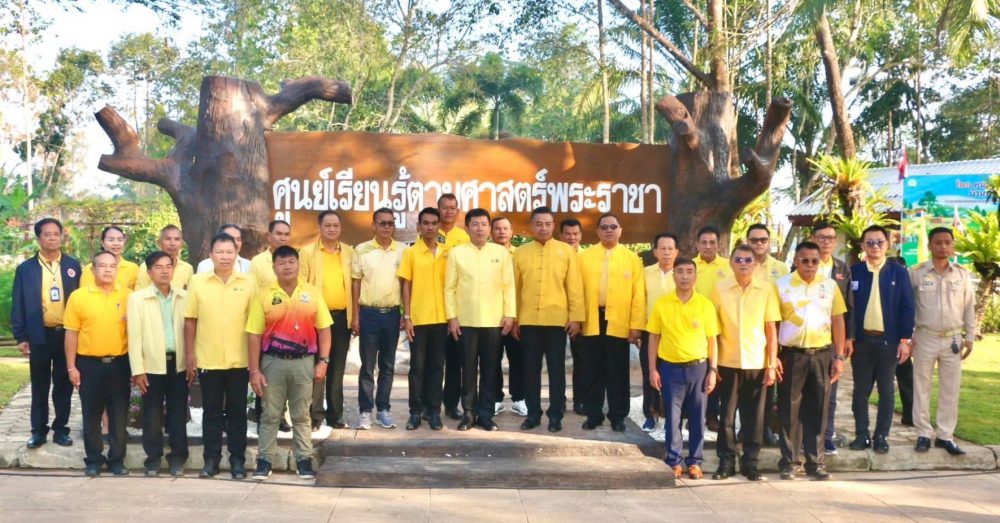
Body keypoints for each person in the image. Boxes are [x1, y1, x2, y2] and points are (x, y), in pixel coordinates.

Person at [247, 246, 333, 481]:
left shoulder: (312, 293)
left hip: (303, 363)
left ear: (298, 264)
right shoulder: (264, 294)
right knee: (270, 414)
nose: (287, 267)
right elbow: (254, 335)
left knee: (302, 414)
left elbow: (324, 329)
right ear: (274, 267)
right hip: (272, 363)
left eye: (291, 262)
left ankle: (303, 460)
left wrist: (323, 361)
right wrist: (254, 370)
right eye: (281, 263)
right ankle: (264, 461)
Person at [184, 232, 257, 479]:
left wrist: (255, 363)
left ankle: (237, 462)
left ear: (236, 253)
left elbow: (255, 324)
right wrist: (189, 354)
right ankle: (211, 461)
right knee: (211, 413)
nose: (225, 256)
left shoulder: (249, 282)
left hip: (240, 359)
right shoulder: (198, 282)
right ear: (210, 255)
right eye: (219, 252)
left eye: (229, 252)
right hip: (208, 358)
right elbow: (190, 320)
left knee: (237, 413)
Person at [775, 242, 847, 481]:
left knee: (818, 410)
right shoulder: (781, 285)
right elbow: (774, 323)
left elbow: (838, 321)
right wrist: (773, 356)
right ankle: (790, 462)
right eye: (804, 260)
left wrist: (839, 357)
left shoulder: (829, 285)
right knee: (789, 410)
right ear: (795, 260)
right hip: (791, 355)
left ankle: (815, 463)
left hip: (822, 355)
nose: (809, 265)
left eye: (814, 261)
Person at [710, 244, 781, 481]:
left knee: (755, 417)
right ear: (731, 263)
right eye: (738, 260)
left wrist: (771, 364)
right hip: (727, 361)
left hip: (757, 362)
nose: (743, 264)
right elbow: (713, 330)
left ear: (756, 264)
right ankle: (726, 461)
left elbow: (771, 329)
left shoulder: (766, 289)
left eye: (748, 260)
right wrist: (713, 365)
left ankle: (750, 462)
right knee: (727, 417)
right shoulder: (720, 288)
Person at [646, 257, 719, 480]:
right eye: (680, 271)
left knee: (698, 418)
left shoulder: (705, 305)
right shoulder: (662, 304)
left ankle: (695, 462)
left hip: (699, 369)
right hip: (670, 369)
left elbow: (713, 340)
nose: (685, 276)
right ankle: (674, 461)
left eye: (689, 271)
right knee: (672, 418)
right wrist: (653, 369)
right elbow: (654, 338)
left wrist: (713, 370)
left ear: (695, 276)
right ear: (674, 275)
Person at [11, 218, 80, 449]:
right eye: (47, 234)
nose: (52, 238)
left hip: (66, 335)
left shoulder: (72, 265)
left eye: (56, 234)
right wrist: (21, 336)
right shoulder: (26, 269)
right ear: (38, 238)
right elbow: (18, 303)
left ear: (61, 236)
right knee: (40, 385)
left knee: (63, 385)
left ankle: (61, 430)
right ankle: (38, 431)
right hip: (39, 335)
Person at [513, 207, 583, 433]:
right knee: (530, 370)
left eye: (547, 224)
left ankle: (555, 415)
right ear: (531, 226)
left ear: (553, 226)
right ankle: (533, 414)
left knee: (556, 371)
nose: (543, 228)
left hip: (557, 321)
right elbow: (515, 289)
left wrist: (576, 318)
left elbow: (574, 287)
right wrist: (514, 318)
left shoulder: (566, 251)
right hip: (528, 321)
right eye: (538, 224)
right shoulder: (521, 253)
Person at [445, 208, 516, 431]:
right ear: (467, 228)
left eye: (484, 224)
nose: (480, 229)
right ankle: (468, 413)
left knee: (490, 369)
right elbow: (449, 288)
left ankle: (485, 414)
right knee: (467, 369)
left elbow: (509, 286)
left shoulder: (500, 253)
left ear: (489, 228)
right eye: (475, 224)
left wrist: (510, 314)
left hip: (494, 321)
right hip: (465, 321)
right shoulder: (457, 253)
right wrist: (452, 317)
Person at [847, 225, 914, 454]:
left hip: (889, 342)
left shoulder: (898, 272)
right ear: (862, 245)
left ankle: (882, 436)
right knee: (860, 391)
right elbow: (847, 309)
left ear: (887, 245)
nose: (875, 246)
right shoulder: (854, 272)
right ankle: (862, 435)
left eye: (879, 242)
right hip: (861, 342)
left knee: (886, 391)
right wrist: (849, 338)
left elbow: (907, 307)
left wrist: (905, 340)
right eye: (870, 242)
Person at [64, 251, 132, 477]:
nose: (108, 270)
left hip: (120, 364)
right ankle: (93, 459)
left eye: (112, 266)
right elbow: (71, 333)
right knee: (91, 414)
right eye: (102, 266)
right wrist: (71, 367)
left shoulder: (128, 296)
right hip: (88, 364)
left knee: (119, 414)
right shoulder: (78, 297)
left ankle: (117, 460)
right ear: (93, 270)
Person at [909, 227, 976, 456]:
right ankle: (923, 434)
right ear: (930, 245)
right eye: (938, 242)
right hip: (925, 336)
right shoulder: (917, 273)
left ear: (953, 245)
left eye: (948, 242)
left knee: (950, 389)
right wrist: (908, 337)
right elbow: (908, 307)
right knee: (921, 387)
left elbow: (969, 307)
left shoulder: (962, 274)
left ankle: (945, 436)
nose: (943, 246)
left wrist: (969, 336)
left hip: (953, 339)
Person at [579, 213, 645, 432]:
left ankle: (618, 416)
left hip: (619, 321)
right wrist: (576, 319)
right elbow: (576, 291)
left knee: (618, 372)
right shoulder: (584, 257)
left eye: (613, 227)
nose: (609, 230)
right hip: (592, 318)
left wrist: (636, 326)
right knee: (592, 370)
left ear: (620, 230)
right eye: (605, 227)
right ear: (598, 231)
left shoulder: (631, 258)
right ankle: (593, 414)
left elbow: (638, 295)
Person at [127, 251, 189, 477]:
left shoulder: (184, 296)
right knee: (152, 415)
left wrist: (191, 362)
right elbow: (134, 337)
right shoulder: (138, 299)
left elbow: (192, 332)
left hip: (178, 364)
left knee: (178, 413)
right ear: (149, 272)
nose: (164, 271)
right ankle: (153, 459)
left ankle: (177, 459)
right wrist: (138, 370)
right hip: (151, 366)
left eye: (168, 266)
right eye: (158, 267)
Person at [299, 210, 355, 430]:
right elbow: (302, 286)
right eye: (327, 225)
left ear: (340, 228)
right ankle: (314, 416)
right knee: (316, 368)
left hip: (341, 318)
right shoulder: (307, 252)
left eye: (336, 226)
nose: (332, 229)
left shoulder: (349, 252)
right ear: (319, 227)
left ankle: (335, 415)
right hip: (316, 319)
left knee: (337, 369)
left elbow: (355, 285)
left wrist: (355, 317)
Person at [352, 207, 406, 430]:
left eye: (390, 223)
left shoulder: (402, 250)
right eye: (382, 223)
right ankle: (365, 411)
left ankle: (383, 409)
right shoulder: (362, 249)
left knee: (387, 365)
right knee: (367, 366)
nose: (386, 227)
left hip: (392, 314)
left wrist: (405, 314)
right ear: (373, 225)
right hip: (368, 314)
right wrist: (355, 316)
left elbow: (406, 285)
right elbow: (356, 282)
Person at [397, 207, 450, 431]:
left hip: (442, 319)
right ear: (418, 226)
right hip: (418, 319)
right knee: (417, 368)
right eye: (426, 223)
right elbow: (405, 285)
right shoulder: (411, 253)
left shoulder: (447, 252)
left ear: (439, 226)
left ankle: (434, 411)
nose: (430, 227)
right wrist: (407, 316)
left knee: (437, 367)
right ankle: (415, 412)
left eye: (434, 223)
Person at [810, 221, 854, 456]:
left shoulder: (841, 268)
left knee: (830, 390)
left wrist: (848, 338)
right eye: (821, 237)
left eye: (830, 238)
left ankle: (826, 436)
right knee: (807, 393)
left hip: (832, 338)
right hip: (806, 336)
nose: (826, 242)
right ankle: (806, 436)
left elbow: (849, 305)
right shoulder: (801, 264)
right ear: (813, 238)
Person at [693, 224, 732, 432]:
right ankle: (694, 415)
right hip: (694, 329)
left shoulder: (728, 267)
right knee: (698, 372)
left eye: (712, 242)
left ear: (719, 244)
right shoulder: (690, 266)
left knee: (716, 371)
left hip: (723, 328)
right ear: (697, 244)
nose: (708, 246)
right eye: (704, 242)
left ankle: (713, 415)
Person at [640, 232, 678, 432]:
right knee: (650, 372)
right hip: (650, 332)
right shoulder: (645, 273)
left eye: (670, 249)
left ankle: (671, 416)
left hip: (675, 334)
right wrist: (637, 328)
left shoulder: (683, 273)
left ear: (677, 252)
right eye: (662, 248)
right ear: (655, 252)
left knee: (672, 376)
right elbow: (639, 301)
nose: (666, 252)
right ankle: (651, 414)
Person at [437, 193, 470, 420]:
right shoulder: (428, 233)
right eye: (445, 207)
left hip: (457, 309)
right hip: (432, 307)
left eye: (452, 208)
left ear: (457, 211)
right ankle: (428, 406)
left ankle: (451, 405)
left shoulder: (463, 237)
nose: (448, 211)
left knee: (455, 362)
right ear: (438, 209)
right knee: (432, 362)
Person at [490, 216, 524, 416]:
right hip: (492, 317)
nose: (502, 232)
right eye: (497, 228)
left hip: (516, 317)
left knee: (518, 359)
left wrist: (516, 317)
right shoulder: (485, 253)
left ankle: (519, 398)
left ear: (512, 231)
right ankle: (495, 399)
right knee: (492, 360)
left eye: (505, 228)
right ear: (491, 232)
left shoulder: (520, 254)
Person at [560, 218, 586, 415]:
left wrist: (578, 316)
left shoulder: (588, 258)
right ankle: (558, 400)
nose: (571, 237)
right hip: (556, 315)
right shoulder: (554, 255)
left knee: (582, 361)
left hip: (580, 317)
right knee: (556, 361)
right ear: (561, 236)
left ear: (581, 236)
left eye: (575, 234)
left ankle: (581, 400)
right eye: (567, 234)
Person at [80, 225, 139, 290]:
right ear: (102, 243)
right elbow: (85, 293)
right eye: (111, 240)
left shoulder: (133, 268)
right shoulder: (90, 269)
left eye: (120, 240)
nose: (116, 243)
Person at [137, 225, 194, 290]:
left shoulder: (188, 268)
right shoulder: (146, 267)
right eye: (168, 239)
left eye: (177, 239)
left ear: (182, 244)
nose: (172, 243)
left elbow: (190, 294)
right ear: (159, 243)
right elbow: (139, 294)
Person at [250, 220, 292, 290]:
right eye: (279, 234)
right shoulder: (258, 261)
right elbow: (253, 291)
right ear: (269, 236)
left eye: (287, 234)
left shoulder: (295, 260)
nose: (283, 238)